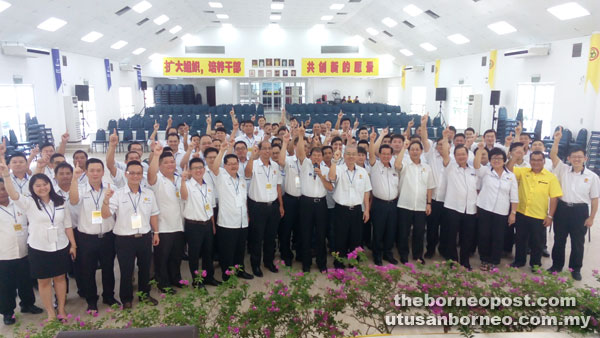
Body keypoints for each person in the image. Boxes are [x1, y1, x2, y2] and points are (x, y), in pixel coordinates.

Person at [1, 166, 76, 321]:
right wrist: (6, 176)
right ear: (32, 188)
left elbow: (67, 224)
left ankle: (61, 309)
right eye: (38, 185)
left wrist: (73, 245)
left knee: (60, 279)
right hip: (39, 247)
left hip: (60, 245)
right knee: (44, 281)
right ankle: (50, 312)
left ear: (50, 184)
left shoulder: (60, 201)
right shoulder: (28, 203)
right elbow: (14, 194)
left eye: (45, 184)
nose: (42, 188)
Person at [101, 161, 160, 309]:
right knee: (126, 270)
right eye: (132, 173)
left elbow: (153, 214)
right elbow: (106, 214)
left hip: (145, 237)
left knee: (145, 269)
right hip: (124, 239)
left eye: (138, 173)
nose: (135, 176)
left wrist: (156, 232)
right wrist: (106, 201)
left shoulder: (149, 193)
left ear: (142, 175)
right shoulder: (118, 194)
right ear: (126, 174)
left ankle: (144, 295)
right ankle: (126, 298)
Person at [548, 128, 599, 281]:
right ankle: (556, 265)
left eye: (580, 157)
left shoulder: (592, 177)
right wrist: (556, 140)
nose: (576, 159)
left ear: (585, 158)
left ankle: (575, 268)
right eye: (574, 157)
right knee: (559, 240)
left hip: (580, 211)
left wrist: (591, 218)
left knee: (578, 242)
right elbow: (553, 155)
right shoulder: (563, 169)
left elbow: (595, 199)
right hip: (562, 209)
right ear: (569, 158)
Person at [69, 159, 119, 312]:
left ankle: (109, 296)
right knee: (88, 271)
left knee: (108, 268)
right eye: (92, 170)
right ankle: (92, 300)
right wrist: (74, 178)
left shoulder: (111, 189)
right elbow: (73, 200)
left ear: (103, 172)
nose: (95, 173)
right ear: (86, 172)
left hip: (108, 236)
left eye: (98, 170)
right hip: (87, 238)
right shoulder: (81, 189)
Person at [507, 151, 562, 271]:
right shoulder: (524, 172)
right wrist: (514, 157)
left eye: (539, 160)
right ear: (530, 160)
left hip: (539, 215)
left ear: (544, 161)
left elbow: (554, 198)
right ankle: (519, 261)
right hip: (522, 212)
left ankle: (535, 264)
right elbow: (509, 169)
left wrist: (550, 216)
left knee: (537, 242)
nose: (536, 162)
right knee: (520, 239)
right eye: (533, 160)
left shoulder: (551, 177)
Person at [0, 177, 43, 325]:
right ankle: (7, 312)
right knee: (6, 285)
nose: (2, 192)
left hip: (24, 250)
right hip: (4, 254)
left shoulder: (19, 204)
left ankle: (27, 304)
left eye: (4, 188)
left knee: (25, 280)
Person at [209, 141, 254, 281]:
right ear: (225, 166)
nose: (234, 166)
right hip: (227, 222)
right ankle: (227, 274)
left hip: (242, 221)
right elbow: (214, 167)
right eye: (230, 164)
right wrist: (222, 150)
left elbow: (243, 198)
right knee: (227, 251)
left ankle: (239, 270)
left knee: (240, 250)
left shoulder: (240, 179)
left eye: (236, 163)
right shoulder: (221, 176)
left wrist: (247, 214)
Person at [148, 145, 185, 294]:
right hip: (163, 227)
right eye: (166, 162)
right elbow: (150, 175)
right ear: (160, 165)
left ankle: (176, 278)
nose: (171, 164)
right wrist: (156, 155)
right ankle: (163, 283)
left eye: (172, 162)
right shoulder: (157, 180)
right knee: (162, 258)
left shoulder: (179, 178)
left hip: (179, 225)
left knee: (176, 256)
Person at [294, 128, 333, 272]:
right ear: (310, 156)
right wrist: (300, 135)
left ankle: (322, 263)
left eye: (319, 155)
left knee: (321, 234)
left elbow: (329, 187)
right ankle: (306, 263)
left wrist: (322, 175)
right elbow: (300, 152)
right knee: (306, 233)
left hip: (321, 204)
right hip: (306, 203)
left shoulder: (326, 169)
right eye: (314, 155)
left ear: (322, 157)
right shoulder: (305, 164)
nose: (316, 158)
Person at [474, 146, 518, 271]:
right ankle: (484, 259)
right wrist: (480, 150)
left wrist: (513, 213)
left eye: (499, 158)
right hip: (484, 208)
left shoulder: (510, 176)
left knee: (498, 236)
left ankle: (494, 260)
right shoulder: (486, 171)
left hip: (501, 211)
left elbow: (514, 196)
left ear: (504, 160)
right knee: (484, 234)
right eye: (493, 158)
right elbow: (476, 165)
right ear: (490, 160)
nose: (496, 160)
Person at [328, 145, 372, 269]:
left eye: (354, 154)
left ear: (358, 155)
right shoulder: (338, 168)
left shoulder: (363, 172)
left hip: (357, 210)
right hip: (341, 210)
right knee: (340, 238)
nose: (351, 156)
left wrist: (367, 210)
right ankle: (339, 264)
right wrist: (334, 161)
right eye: (348, 153)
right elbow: (331, 178)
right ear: (344, 155)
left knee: (356, 239)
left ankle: (354, 264)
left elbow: (366, 192)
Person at [439, 132, 478, 269]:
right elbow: (444, 152)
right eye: (458, 154)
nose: (461, 156)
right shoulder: (450, 167)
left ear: (468, 156)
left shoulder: (473, 170)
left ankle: (465, 261)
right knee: (451, 237)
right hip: (453, 208)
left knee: (467, 238)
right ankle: (453, 261)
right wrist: (445, 138)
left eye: (464, 154)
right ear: (454, 156)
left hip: (470, 210)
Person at [245, 140, 284, 277]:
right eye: (265, 148)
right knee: (257, 237)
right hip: (257, 206)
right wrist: (251, 157)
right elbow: (247, 174)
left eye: (269, 148)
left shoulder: (275, 166)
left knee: (271, 237)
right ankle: (255, 264)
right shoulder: (254, 164)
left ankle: (268, 261)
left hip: (272, 206)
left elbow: (278, 186)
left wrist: (281, 205)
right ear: (260, 150)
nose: (267, 151)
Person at [180, 157, 221, 287]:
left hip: (208, 224)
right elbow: (184, 196)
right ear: (190, 171)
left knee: (208, 253)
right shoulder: (186, 185)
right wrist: (182, 180)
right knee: (194, 255)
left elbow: (211, 206)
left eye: (200, 168)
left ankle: (209, 277)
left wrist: (213, 224)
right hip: (194, 226)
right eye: (195, 168)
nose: (198, 170)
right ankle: (197, 281)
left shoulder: (208, 186)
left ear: (204, 169)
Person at [395, 139, 435, 264]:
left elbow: (429, 187)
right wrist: (403, 147)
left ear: (421, 151)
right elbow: (396, 165)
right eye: (412, 149)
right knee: (403, 233)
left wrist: (429, 203)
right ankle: (403, 254)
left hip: (421, 206)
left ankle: (418, 255)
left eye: (417, 149)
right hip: (404, 204)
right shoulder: (405, 164)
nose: (415, 152)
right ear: (409, 151)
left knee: (419, 232)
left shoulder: (427, 168)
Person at [368, 129, 399, 265]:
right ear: (379, 154)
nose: (386, 156)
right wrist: (375, 138)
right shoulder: (375, 166)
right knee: (378, 231)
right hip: (379, 204)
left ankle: (388, 253)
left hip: (393, 204)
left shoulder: (395, 168)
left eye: (388, 154)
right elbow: (370, 153)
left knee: (391, 231)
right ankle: (377, 255)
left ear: (392, 155)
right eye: (383, 154)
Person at [277, 131, 303, 267]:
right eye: (298, 145)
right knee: (286, 229)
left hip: (303, 201)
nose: (300, 148)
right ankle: (286, 254)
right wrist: (285, 142)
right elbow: (280, 161)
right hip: (290, 200)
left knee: (301, 229)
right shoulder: (289, 160)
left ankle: (299, 253)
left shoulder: (308, 162)